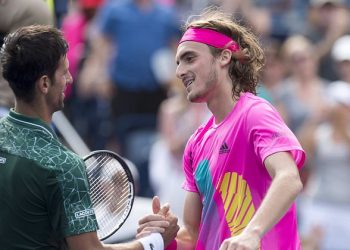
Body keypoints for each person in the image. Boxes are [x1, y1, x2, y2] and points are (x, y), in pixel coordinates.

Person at [139, 8, 306, 250]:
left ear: (224, 57)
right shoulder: (196, 143)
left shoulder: (255, 113)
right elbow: (194, 235)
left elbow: (289, 178)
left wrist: (252, 233)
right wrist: (163, 239)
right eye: (178, 63)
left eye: (189, 58)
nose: (179, 71)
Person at [0, 25, 179, 250]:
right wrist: (154, 242)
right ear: (44, 84)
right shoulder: (63, 166)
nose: (70, 79)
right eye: (64, 71)